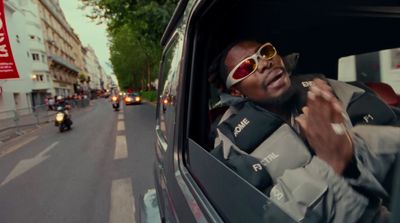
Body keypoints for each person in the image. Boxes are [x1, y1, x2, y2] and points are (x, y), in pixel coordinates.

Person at [210, 40, 400, 223]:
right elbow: (264, 214)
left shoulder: (325, 90)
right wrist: (328, 163)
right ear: (236, 91)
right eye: (246, 67)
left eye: (265, 52)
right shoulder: (231, 143)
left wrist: (350, 148)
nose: (264, 64)